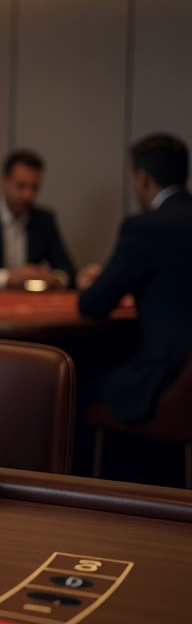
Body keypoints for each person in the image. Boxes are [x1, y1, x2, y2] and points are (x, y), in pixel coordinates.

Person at [76, 134, 192, 423]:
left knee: (67, 383)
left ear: (142, 177)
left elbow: (93, 305)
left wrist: (93, 283)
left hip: (162, 375)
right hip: (185, 374)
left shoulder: (146, 226)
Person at [0, 150, 77, 289]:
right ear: (3, 181)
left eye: (34, 187)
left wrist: (53, 277)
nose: (28, 195)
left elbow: (68, 270)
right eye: (21, 186)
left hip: (33, 304)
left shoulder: (44, 220)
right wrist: (8, 278)